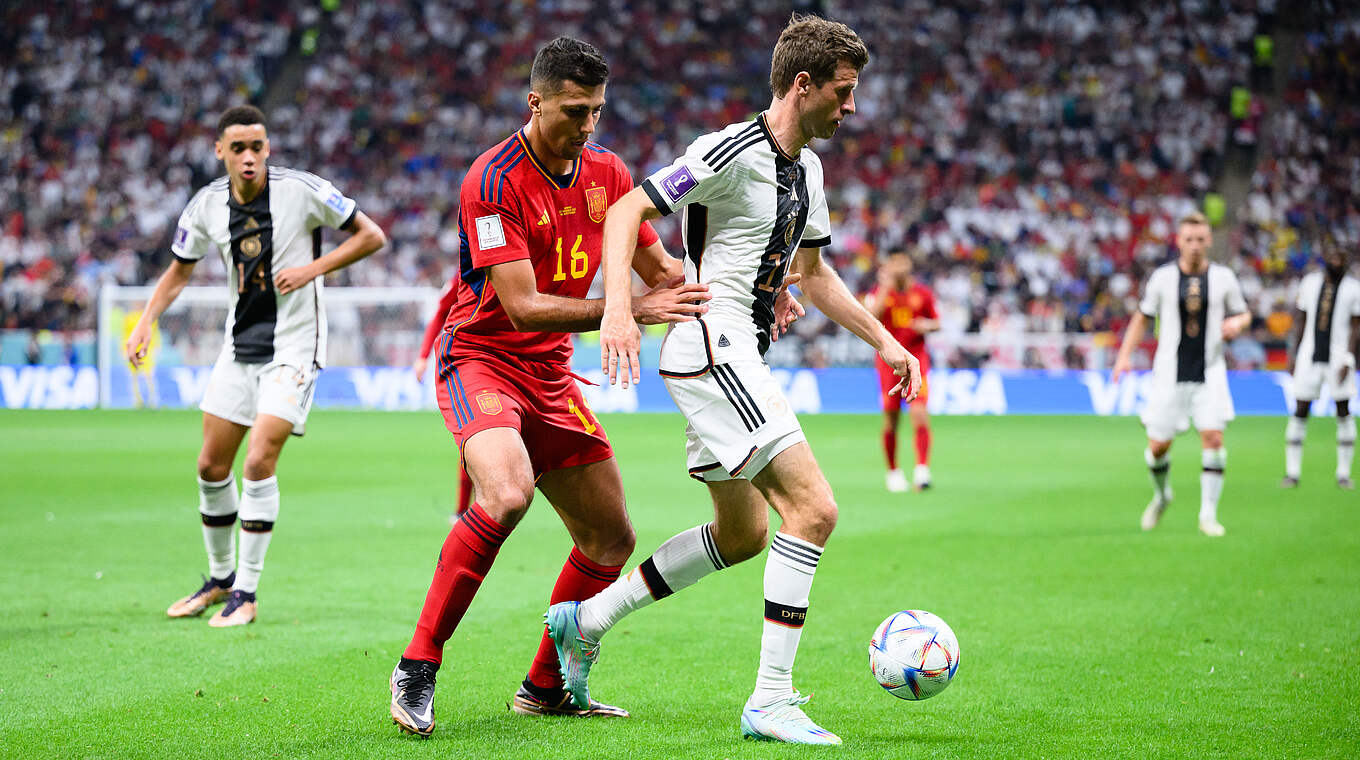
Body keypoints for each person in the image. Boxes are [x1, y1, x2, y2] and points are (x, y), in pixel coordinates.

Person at [551, 15, 920, 746]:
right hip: (714, 348)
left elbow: (811, 275)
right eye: (843, 93)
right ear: (803, 84)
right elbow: (628, 208)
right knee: (813, 510)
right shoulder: (729, 148)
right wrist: (619, 310)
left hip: (737, 350)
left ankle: (586, 620)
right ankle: (770, 701)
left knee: (744, 533)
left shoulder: (808, 170)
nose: (851, 108)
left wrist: (885, 339)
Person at [387, 37, 718, 736]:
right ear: (535, 103)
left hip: (550, 375)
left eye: (597, 111)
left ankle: (544, 687)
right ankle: (418, 665)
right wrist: (620, 310)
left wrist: (746, 296)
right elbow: (522, 305)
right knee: (505, 494)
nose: (587, 125)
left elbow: (662, 277)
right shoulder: (492, 178)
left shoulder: (607, 172)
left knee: (609, 538)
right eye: (574, 110)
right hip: (480, 357)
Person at [125, 105, 387, 626]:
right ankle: (221, 580)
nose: (249, 157)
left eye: (257, 147)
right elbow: (179, 271)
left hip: (295, 346)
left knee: (258, 461)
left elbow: (371, 235)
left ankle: (247, 592)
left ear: (268, 149)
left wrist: (313, 267)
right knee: (210, 466)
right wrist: (146, 320)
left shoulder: (302, 189)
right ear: (219, 151)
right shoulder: (205, 206)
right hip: (239, 346)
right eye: (238, 148)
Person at [1112, 212, 1249, 537]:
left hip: (1210, 371)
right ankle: (1162, 496)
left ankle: (1208, 515)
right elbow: (1142, 317)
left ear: (1209, 241)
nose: (1195, 245)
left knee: (1213, 438)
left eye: (1200, 239)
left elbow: (1243, 312)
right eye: (1189, 239)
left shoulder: (1224, 278)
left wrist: (1237, 324)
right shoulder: (1161, 279)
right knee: (1158, 446)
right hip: (1168, 374)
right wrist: (1124, 356)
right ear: (1179, 241)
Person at [1282, 240, 1358, 489]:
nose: (1339, 261)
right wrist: (1293, 355)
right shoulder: (1310, 283)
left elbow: (1356, 327)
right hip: (1309, 355)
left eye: (1343, 257)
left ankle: (1343, 474)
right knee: (1300, 409)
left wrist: (1348, 358)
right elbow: (1301, 320)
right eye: (1334, 256)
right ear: (1326, 257)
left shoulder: (1353, 288)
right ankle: (1292, 473)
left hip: (1338, 357)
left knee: (1343, 411)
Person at [863, 250, 939, 492]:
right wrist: (885, 286)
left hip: (917, 361)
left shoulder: (923, 293)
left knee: (919, 413)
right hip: (889, 366)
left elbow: (937, 321)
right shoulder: (880, 292)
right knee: (891, 420)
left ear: (908, 262)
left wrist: (926, 325)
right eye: (893, 261)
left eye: (901, 260)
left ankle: (922, 470)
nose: (898, 265)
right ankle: (893, 471)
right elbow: (869, 318)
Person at [414, 277, 474, 519]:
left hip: (519, 361)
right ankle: (462, 511)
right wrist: (423, 356)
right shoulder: (466, 270)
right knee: (474, 439)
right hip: (471, 363)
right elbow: (441, 311)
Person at [121, 305, 161, 408]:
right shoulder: (129, 317)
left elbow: (156, 333)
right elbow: (124, 334)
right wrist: (123, 349)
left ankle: (153, 399)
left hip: (147, 349)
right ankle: (137, 401)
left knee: (149, 375)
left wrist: (157, 346)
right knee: (133, 376)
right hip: (133, 349)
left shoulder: (151, 318)